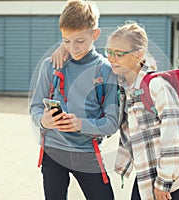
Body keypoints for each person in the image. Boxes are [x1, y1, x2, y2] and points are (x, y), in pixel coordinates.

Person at [52, 21, 179, 200]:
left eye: (118, 54)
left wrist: (164, 183)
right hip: (146, 175)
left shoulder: (157, 86)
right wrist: (64, 48)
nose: (111, 59)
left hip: (170, 181)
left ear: (138, 55)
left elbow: (174, 137)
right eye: (109, 52)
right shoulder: (125, 85)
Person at [29, 1, 119, 199]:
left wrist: (81, 124)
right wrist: (43, 120)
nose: (73, 48)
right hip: (53, 152)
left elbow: (112, 123)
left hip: (87, 153)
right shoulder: (50, 65)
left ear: (95, 34)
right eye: (66, 41)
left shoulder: (106, 70)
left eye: (80, 41)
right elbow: (35, 107)